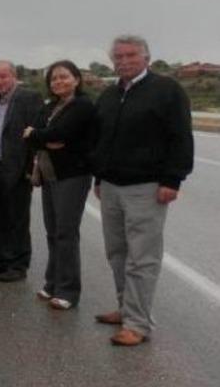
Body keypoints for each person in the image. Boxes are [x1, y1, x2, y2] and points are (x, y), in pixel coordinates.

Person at [91, 35, 194, 346]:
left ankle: (138, 323)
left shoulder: (167, 90)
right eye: (118, 56)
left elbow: (180, 136)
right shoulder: (109, 94)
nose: (123, 61)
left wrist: (172, 180)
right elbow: (101, 139)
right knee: (117, 253)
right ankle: (126, 309)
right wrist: (98, 177)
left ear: (146, 58)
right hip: (110, 186)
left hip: (146, 187)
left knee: (142, 258)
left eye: (130, 55)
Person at [23, 60, 96, 308]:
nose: (58, 82)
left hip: (72, 176)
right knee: (53, 232)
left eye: (64, 77)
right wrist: (42, 137)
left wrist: (40, 135)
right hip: (49, 175)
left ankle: (68, 291)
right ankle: (51, 283)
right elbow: (34, 134)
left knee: (66, 233)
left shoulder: (83, 106)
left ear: (76, 79)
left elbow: (57, 134)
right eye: (54, 79)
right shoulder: (51, 105)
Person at [0, 60, 42, 282]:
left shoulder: (28, 98)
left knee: (17, 219)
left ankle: (18, 264)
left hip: (17, 169)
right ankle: (2, 259)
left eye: (3, 76)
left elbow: (35, 135)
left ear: (14, 76)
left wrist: (29, 169)